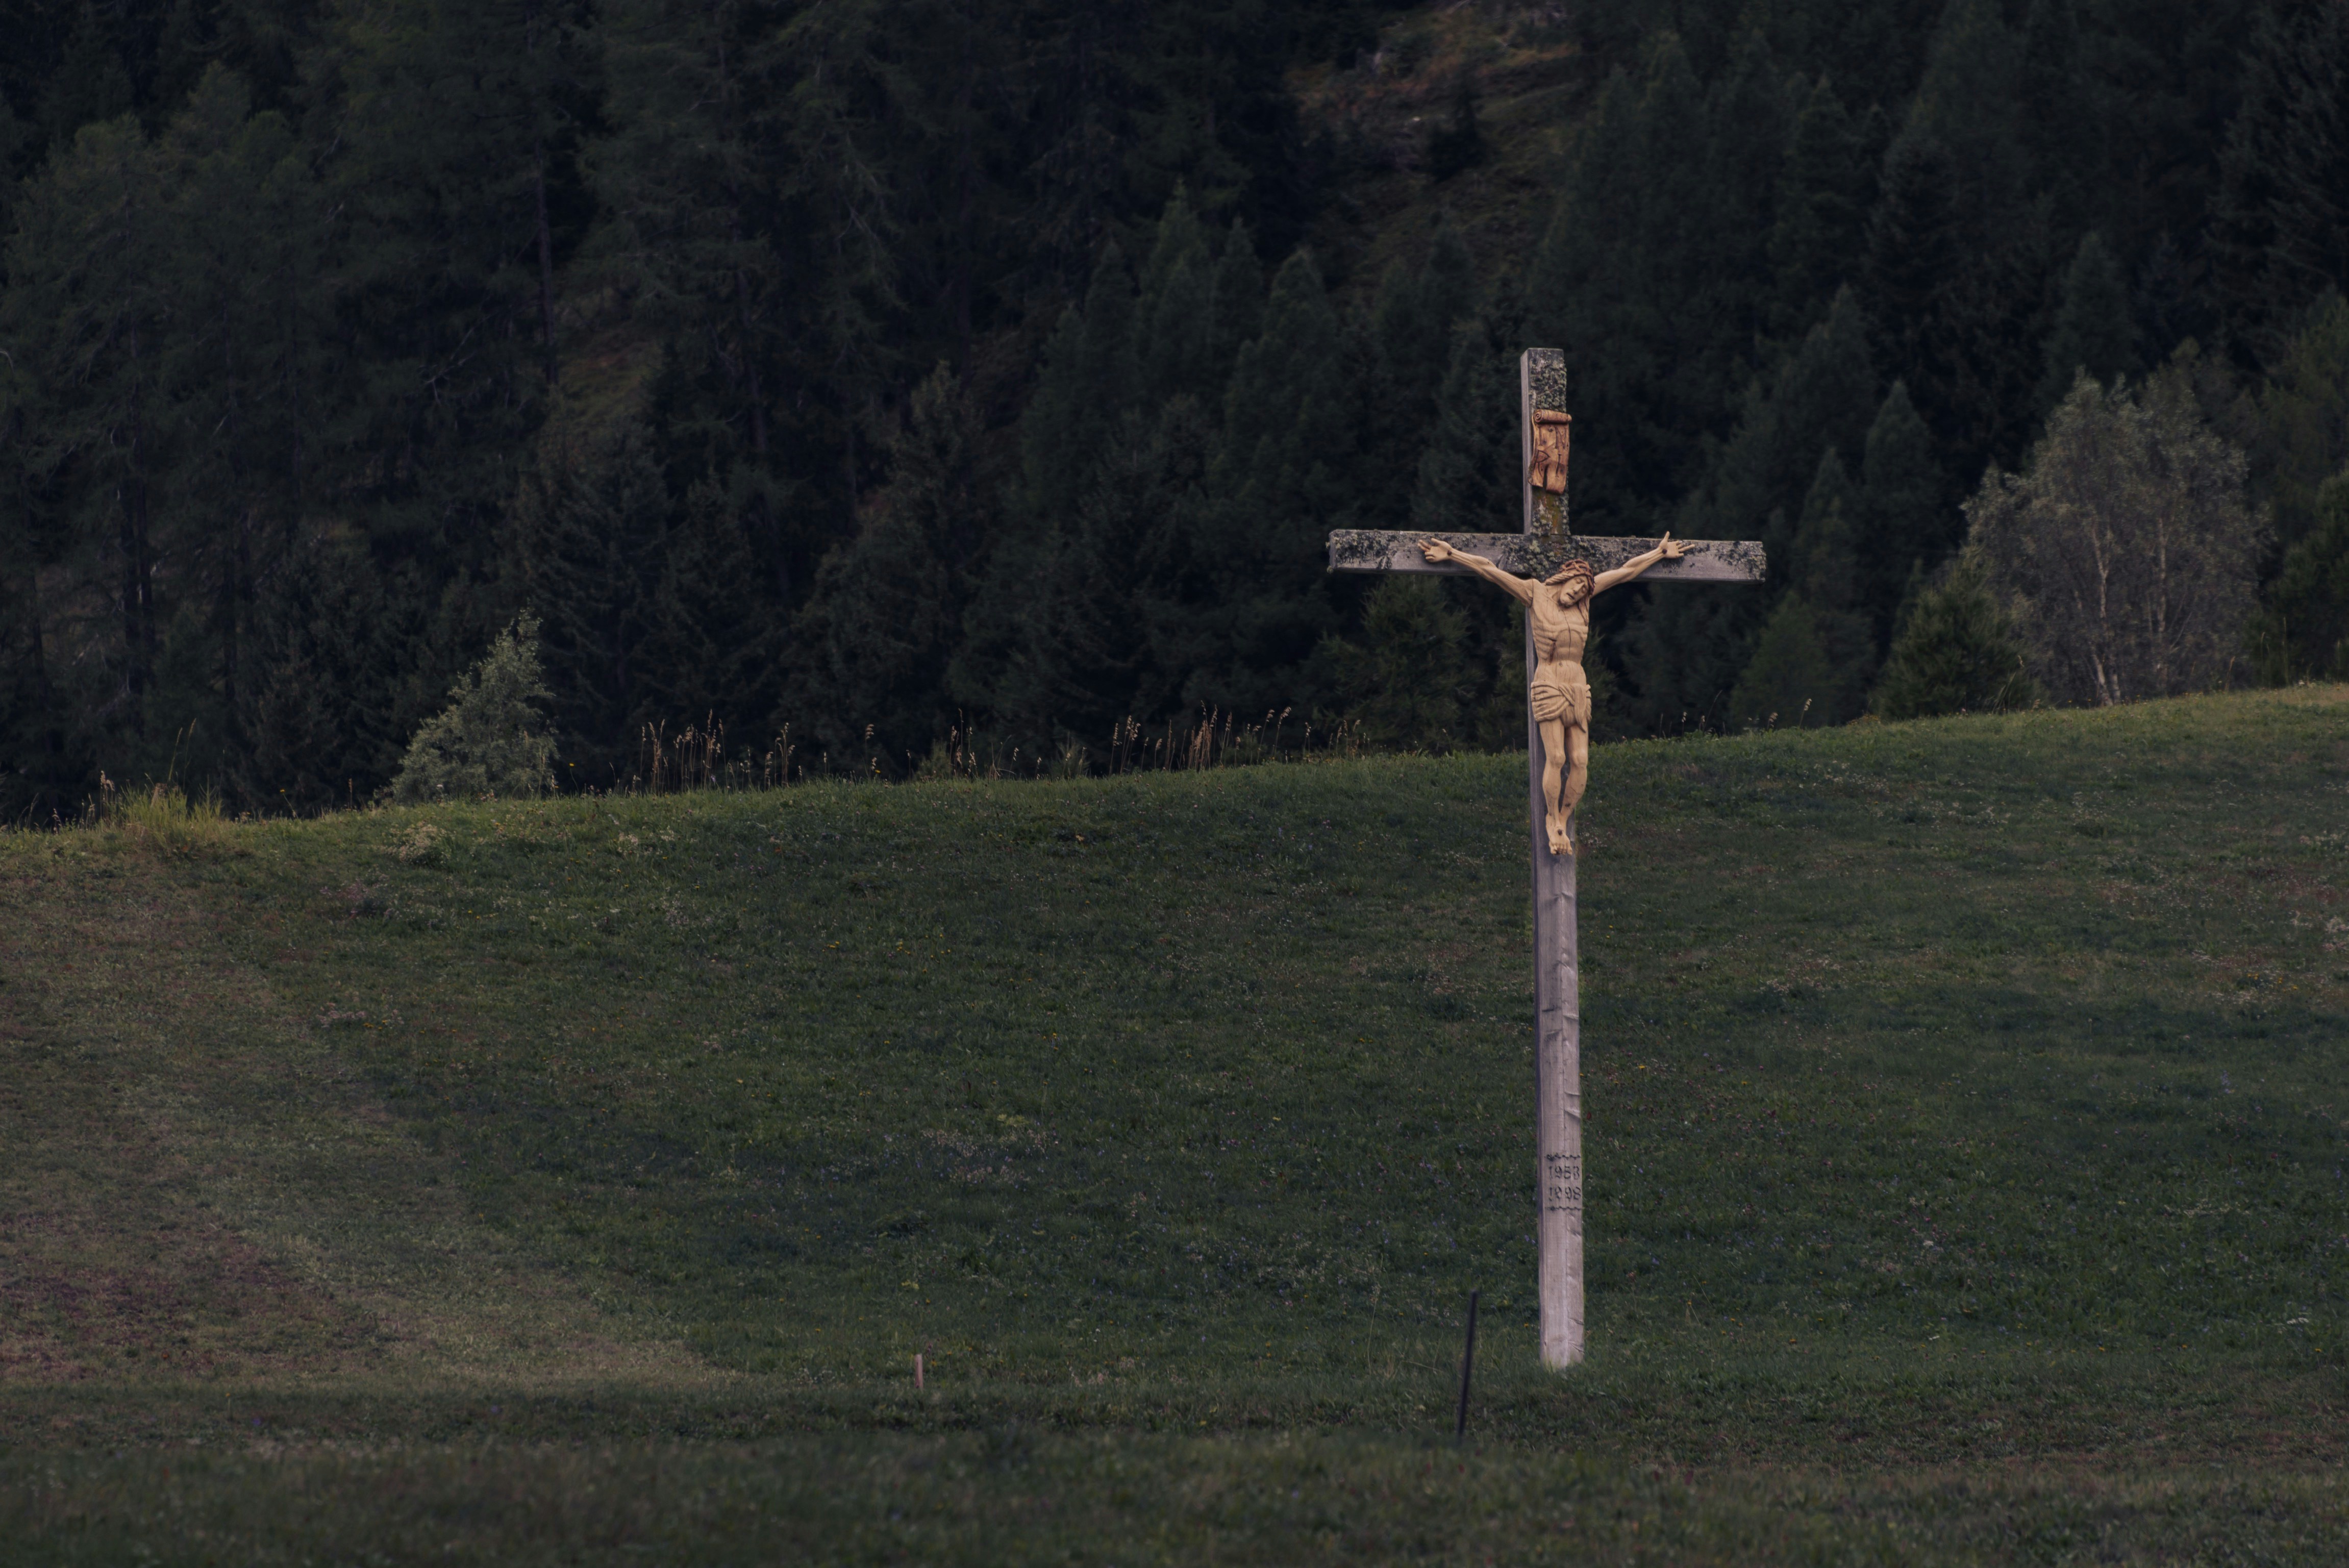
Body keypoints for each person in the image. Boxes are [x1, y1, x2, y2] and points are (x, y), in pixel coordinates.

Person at [1417, 533, 1690, 854]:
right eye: (1575, 585)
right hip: (1549, 681)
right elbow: (1490, 569)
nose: (1578, 592)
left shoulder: (1585, 603)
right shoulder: (1536, 592)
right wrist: (1452, 554)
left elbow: (1626, 571)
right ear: (1563, 578)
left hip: (1578, 684)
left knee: (1580, 760)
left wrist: (1658, 554)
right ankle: (1552, 818)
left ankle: (1563, 816)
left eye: (1583, 590)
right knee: (1557, 757)